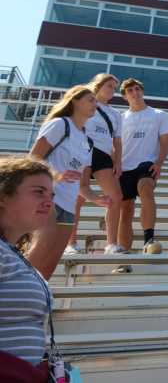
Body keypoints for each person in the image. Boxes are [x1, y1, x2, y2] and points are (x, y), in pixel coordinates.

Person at [27, 85, 111, 279]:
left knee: (51, 261)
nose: (95, 105)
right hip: (49, 199)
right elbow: (33, 159)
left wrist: (96, 198)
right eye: (90, 100)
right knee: (39, 252)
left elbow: (82, 185)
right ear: (74, 100)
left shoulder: (88, 142)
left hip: (69, 206)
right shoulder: (60, 125)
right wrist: (56, 175)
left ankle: (39, 300)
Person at [0, 157, 56, 382]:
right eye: (39, 192)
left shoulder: (11, 253)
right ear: (3, 195)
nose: (49, 202)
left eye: (51, 195)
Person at [66, 73, 125, 255]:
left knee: (116, 196)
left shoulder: (116, 114)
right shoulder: (86, 103)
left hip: (104, 154)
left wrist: (118, 161)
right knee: (78, 197)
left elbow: (117, 140)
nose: (112, 90)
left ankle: (111, 244)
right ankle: (71, 244)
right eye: (109, 86)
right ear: (98, 85)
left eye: (114, 88)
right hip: (83, 148)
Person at [117, 78, 168, 260]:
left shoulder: (159, 115)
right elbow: (115, 144)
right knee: (126, 209)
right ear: (125, 96)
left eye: (137, 89)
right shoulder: (120, 118)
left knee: (146, 189)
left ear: (142, 91)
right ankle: (123, 256)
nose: (135, 92)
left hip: (147, 163)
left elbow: (165, 141)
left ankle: (149, 240)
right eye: (130, 91)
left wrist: (159, 162)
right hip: (124, 167)